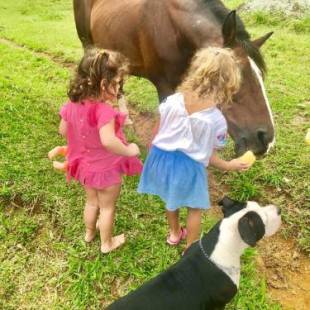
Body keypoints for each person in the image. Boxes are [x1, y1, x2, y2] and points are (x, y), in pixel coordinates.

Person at [138, 47, 250, 250]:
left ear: (196, 73)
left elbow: (157, 130)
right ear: (228, 84)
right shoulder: (216, 121)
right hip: (189, 167)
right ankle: (190, 247)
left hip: (161, 158)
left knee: (171, 199)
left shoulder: (171, 102)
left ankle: (174, 234)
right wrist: (230, 165)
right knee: (195, 208)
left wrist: (152, 150)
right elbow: (211, 157)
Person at [58, 49, 142, 253]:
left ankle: (89, 233)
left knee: (91, 202)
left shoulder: (71, 104)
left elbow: (62, 130)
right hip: (106, 171)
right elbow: (108, 141)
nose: (118, 88)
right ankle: (106, 243)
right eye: (117, 83)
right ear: (104, 84)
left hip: (85, 168)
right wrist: (129, 150)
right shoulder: (104, 111)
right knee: (107, 207)